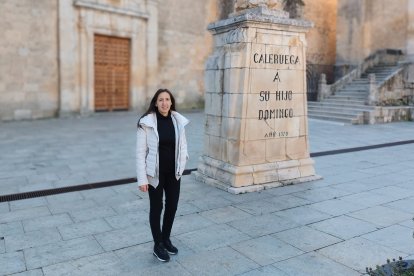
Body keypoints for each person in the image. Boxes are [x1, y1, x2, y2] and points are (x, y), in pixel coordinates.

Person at [136, 88, 189, 262]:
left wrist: (182, 164)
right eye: (161, 100)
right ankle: (157, 244)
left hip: (174, 174)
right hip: (155, 174)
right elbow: (140, 153)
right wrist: (142, 179)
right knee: (156, 208)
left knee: (172, 206)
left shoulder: (177, 121)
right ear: (156, 103)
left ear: (171, 102)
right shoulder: (147, 123)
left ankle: (166, 239)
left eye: (167, 99)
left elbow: (183, 146)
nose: (164, 103)